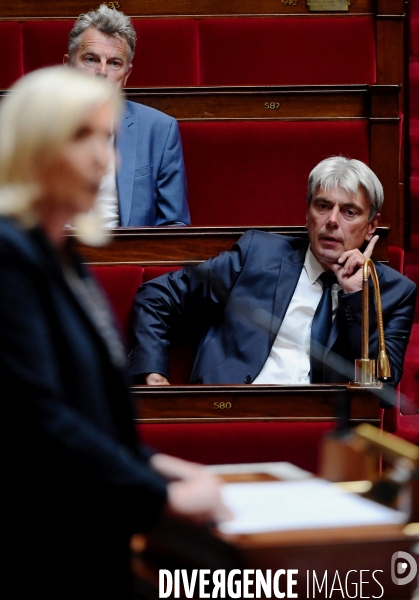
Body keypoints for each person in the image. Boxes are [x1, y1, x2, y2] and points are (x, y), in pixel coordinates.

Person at [0, 67, 227, 600]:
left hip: (87, 535)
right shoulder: (7, 257)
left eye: (108, 138)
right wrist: (159, 496)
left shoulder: (64, 260)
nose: (104, 160)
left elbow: (90, 416)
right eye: (82, 137)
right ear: (32, 147)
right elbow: (37, 421)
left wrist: (163, 467)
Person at [129, 157, 417, 388]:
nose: (331, 220)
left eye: (349, 212)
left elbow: (382, 385)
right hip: (229, 415)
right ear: (307, 214)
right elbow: (157, 296)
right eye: (323, 206)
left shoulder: (393, 292)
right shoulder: (258, 256)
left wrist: (355, 297)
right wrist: (152, 373)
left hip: (319, 431)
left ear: (371, 226)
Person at [63, 5, 190, 227]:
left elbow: (174, 230)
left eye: (114, 63)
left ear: (126, 75)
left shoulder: (159, 130)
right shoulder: (32, 126)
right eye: (91, 59)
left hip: (127, 258)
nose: (102, 72)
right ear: (68, 65)